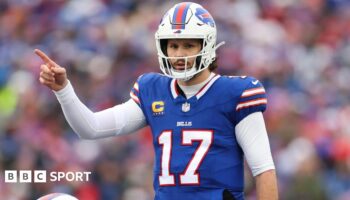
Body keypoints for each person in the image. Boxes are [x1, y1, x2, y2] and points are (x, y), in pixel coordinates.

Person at [35, 2, 278, 200]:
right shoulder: (152, 90)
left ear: (207, 46)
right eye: (173, 45)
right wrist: (63, 89)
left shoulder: (235, 93)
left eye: (188, 45)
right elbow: (91, 128)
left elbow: (264, 170)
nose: (180, 54)